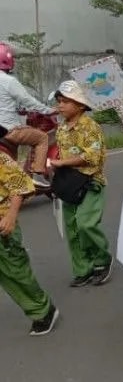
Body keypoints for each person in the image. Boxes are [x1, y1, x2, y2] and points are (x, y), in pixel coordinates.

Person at [52, 80, 113, 287]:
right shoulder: (61, 128)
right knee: (72, 229)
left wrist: (62, 162)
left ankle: (102, 260)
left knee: (86, 224)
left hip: (90, 181)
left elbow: (92, 156)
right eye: (59, 101)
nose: (60, 105)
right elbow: (61, 153)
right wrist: (53, 166)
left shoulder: (89, 126)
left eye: (65, 101)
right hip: (69, 183)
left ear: (80, 105)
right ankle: (82, 269)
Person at [0, 129, 59, 336]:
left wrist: (10, 216)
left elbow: (21, 185)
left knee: (16, 271)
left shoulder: (1, 159)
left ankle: (43, 310)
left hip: (3, 224)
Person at [0, 43, 56, 187]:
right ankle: (37, 175)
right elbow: (27, 100)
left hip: (3, 134)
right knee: (42, 138)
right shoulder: (8, 81)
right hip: (9, 130)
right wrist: (48, 110)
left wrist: (19, 109)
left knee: (11, 163)